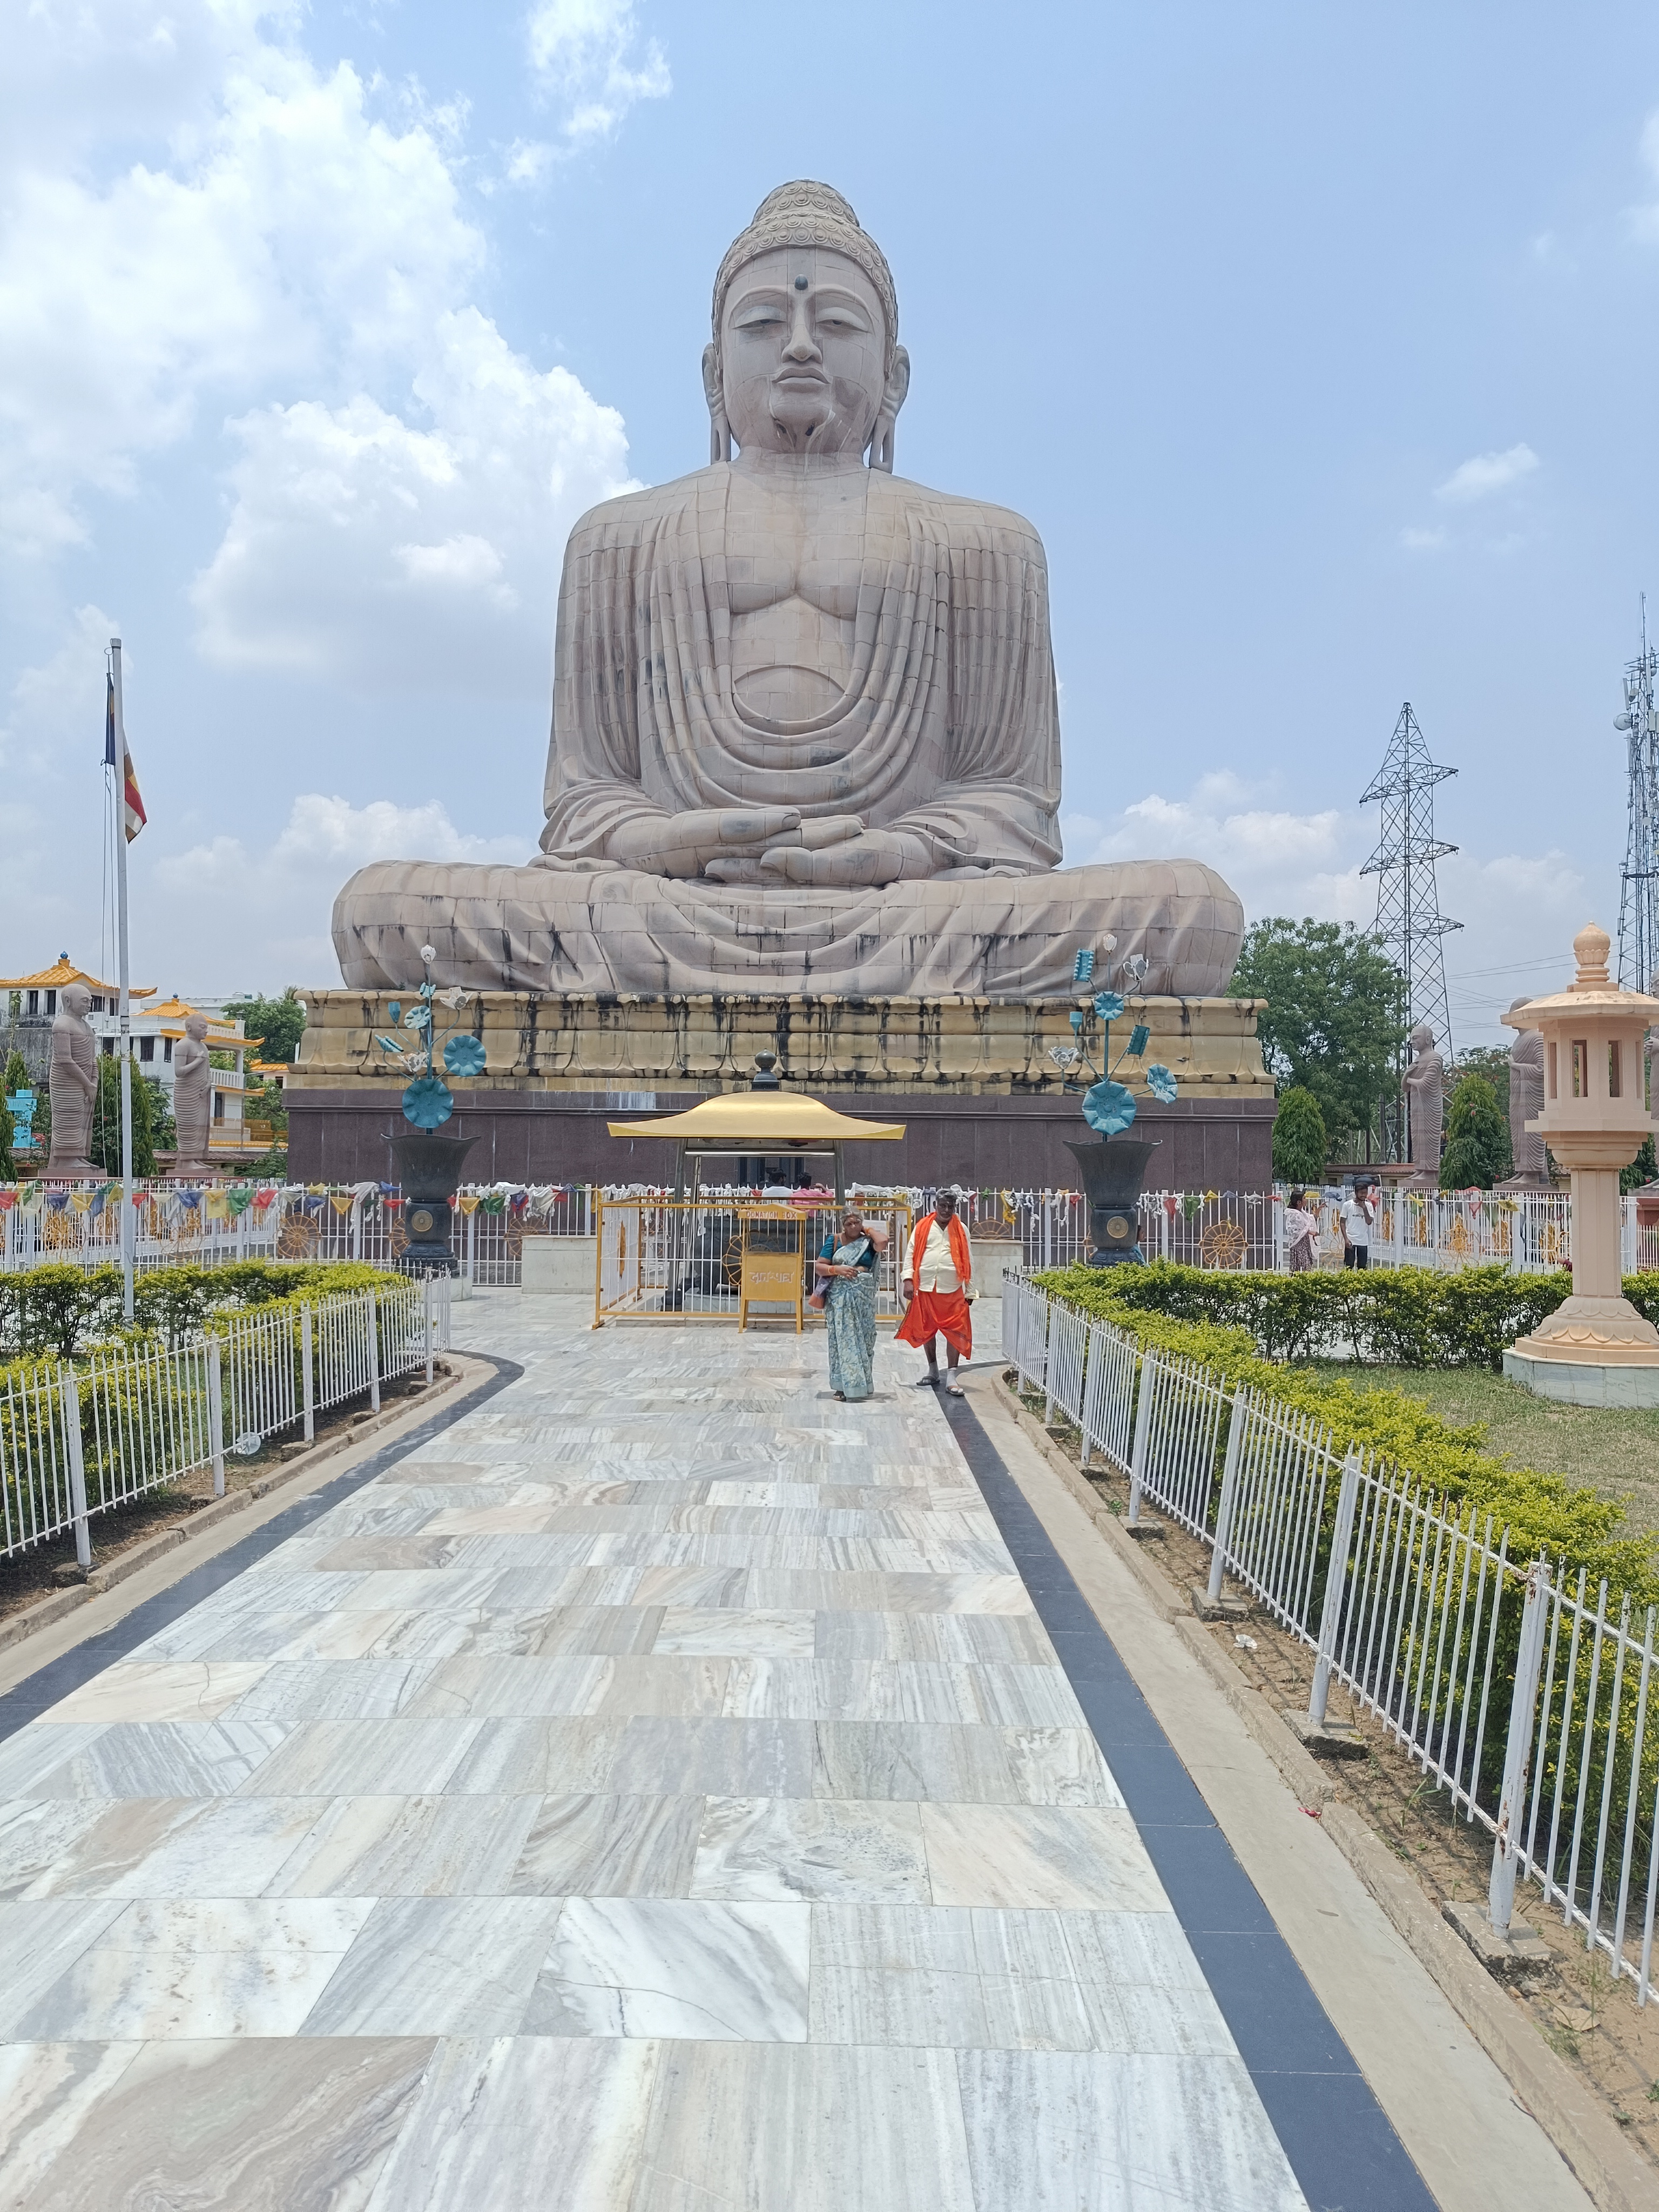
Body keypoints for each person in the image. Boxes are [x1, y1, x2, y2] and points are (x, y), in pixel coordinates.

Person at [896, 1190, 974, 1394]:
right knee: (926, 1330)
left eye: (951, 1207)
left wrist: (970, 1290)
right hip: (926, 1287)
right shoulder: (922, 1227)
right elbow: (910, 1253)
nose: (947, 1210)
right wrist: (907, 1279)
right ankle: (933, 1370)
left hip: (953, 1288)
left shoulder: (962, 1229)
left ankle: (951, 1377)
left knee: (956, 1332)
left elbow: (969, 1259)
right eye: (943, 1206)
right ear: (936, 1206)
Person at [815, 1206, 887, 1401]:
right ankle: (842, 1386)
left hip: (862, 1300)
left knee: (865, 1340)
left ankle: (863, 1384)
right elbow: (820, 1266)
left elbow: (884, 1241)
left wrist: (869, 1231)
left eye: (857, 1222)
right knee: (843, 1342)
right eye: (849, 1223)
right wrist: (837, 1269)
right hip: (840, 1299)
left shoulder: (869, 1242)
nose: (854, 1226)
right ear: (843, 1226)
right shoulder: (835, 1241)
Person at [1339, 1182, 1375, 1270]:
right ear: (1356, 1193)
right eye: (1361, 1193)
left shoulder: (1369, 1206)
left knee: (1362, 1267)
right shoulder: (1347, 1205)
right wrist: (1346, 1239)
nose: (1364, 1195)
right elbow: (1342, 1222)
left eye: (1365, 1193)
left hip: (1363, 1241)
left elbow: (1369, 1222)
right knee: (1349, 1266)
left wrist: (1364, 1208)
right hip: (1351, 1240)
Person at [1284, 1189, 1320, 1273]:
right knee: (1301, 1265)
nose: (1306, 1200)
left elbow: (1310, 1220)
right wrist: (1310, 1232)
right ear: (1299, 1202)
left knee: (1307, 1265)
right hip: (1298, 1244)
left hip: (1305, 1243)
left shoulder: (1302, 1213)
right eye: (1304, 1198)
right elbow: (1294, 1230)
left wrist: (1318, 1211)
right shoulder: (1294, 1214)